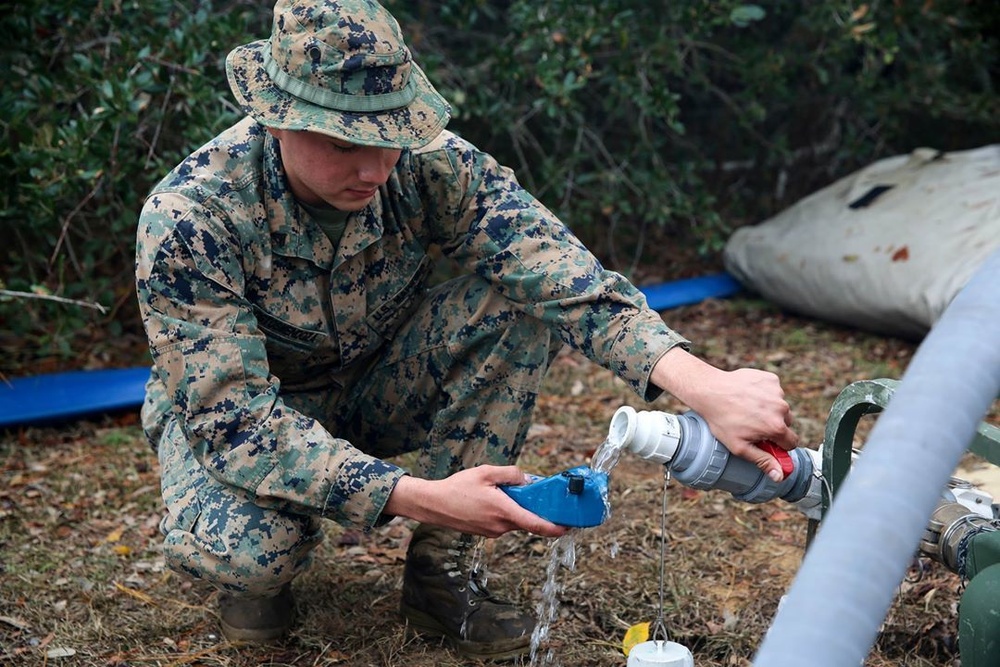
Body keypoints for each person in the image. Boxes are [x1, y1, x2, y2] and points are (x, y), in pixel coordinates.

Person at [135, 0, 799, 660]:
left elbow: (556, 269)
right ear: (276, 118)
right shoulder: (192, 215)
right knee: (254, 553)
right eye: (344, 144)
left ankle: (440, 577)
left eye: (389, 137)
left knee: (511, 302)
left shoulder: (428, 163)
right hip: (246, 421)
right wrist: (424, 498)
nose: (374, 169)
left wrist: (703, 384)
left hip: (372, 386)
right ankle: (257, 578)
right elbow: (238, 422)